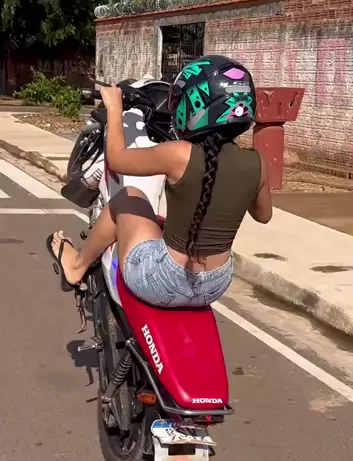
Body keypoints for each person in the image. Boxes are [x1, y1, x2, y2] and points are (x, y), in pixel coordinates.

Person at [46, 55, 272, 308]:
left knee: (129, 196)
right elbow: (263, 215)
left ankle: (76, 266)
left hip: (164, 282)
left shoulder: (178, 154)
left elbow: (117, 159)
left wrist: (114, 108)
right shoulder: (258, 162)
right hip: (216, 284)